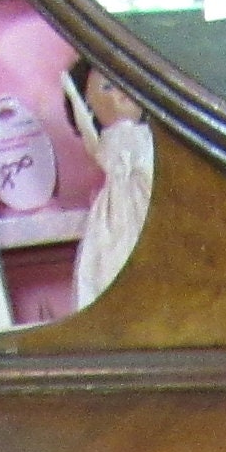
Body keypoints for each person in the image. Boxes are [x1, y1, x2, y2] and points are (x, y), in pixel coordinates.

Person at [65, 64, 151, 311]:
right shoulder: (109, 140)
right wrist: (73, 97)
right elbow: (96, 145)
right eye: (107, 87)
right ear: (88, 104)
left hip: (149, 194)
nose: (121, 93)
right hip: (118, 209)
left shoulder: (150, 135)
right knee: (111, 261)